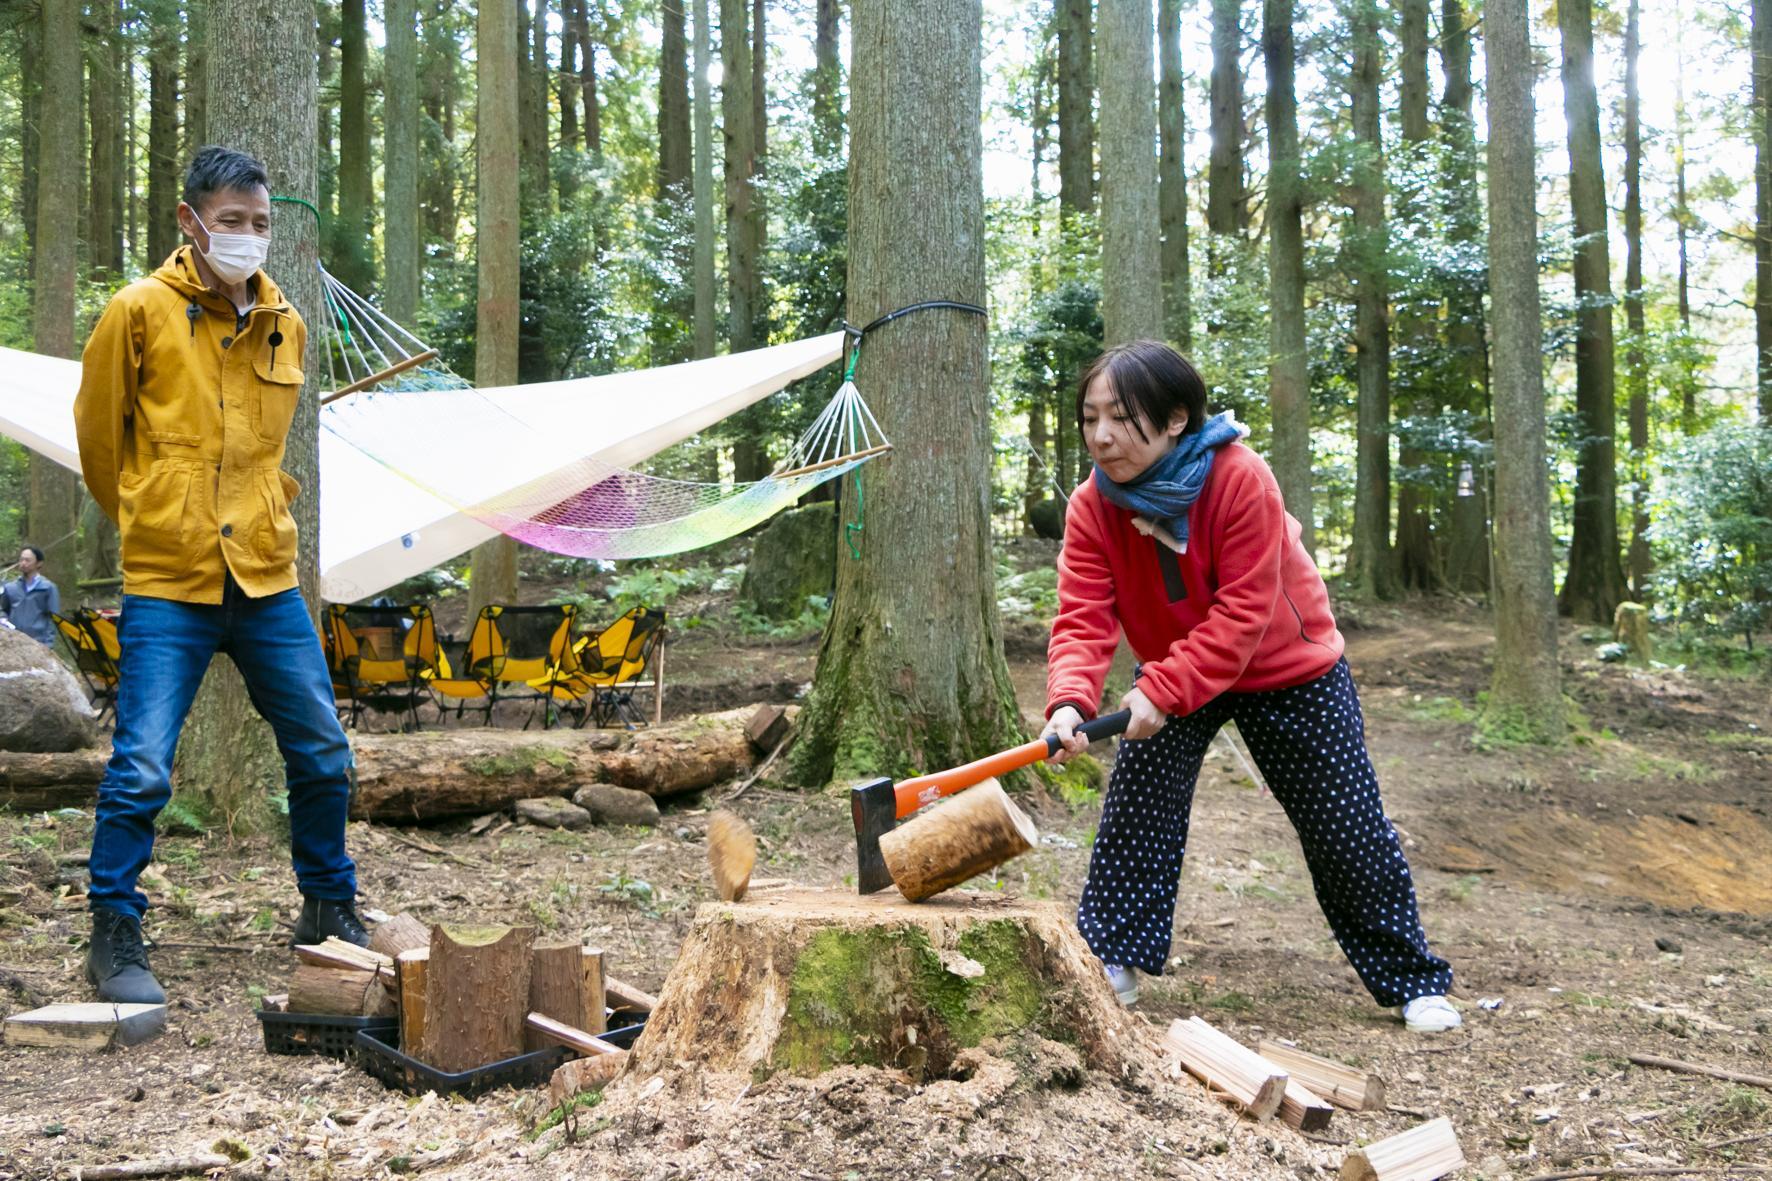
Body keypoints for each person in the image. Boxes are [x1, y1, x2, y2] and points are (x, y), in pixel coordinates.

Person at [1042, 340, 1460, 1034]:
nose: (1102, 435)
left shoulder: (1239, 477)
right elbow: (1083, 614)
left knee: (1344, 824)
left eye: (1120, 416)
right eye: (1090, 418)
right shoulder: (1094, 503)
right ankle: (1112, 956)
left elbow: (1243, 614)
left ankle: (1412, 978)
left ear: (1175, 418)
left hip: (1289, 668)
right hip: (1177, 673)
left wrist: (1162, 689)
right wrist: (1069, 702)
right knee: (1138, 809)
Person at [73, 146, 369, 1006]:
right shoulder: (137, 311)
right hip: (170, 577)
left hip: (267, 577)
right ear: (190, 221)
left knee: (322, 750)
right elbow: (100, 442)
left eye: (260, 223)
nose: (247, 237)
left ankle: (327, 908)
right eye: (231, 222)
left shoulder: (287, 322)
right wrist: (150, 510)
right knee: (142, 770)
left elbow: (269, 447)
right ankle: (113, 931)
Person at [1, 546, 61, 647]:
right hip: (12, 642)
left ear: (39, 563)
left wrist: (48, 644)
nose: (23, 563)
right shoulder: (10, 587)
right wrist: (3, 618)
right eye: (21, 560)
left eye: (27, 560)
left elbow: (53, 618)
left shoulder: (48, 588)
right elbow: (2, 609)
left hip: (38, 643)